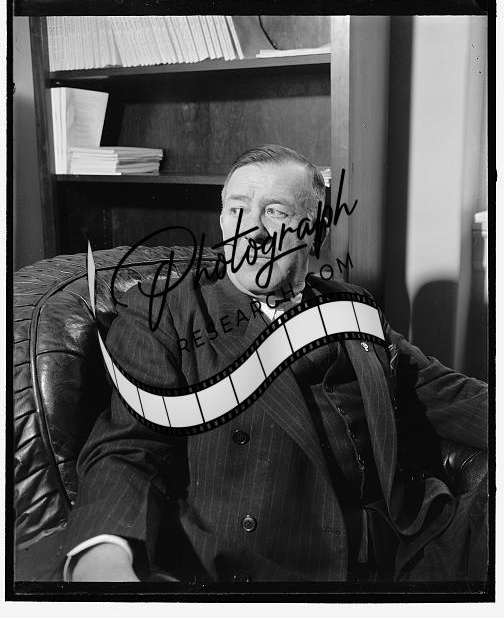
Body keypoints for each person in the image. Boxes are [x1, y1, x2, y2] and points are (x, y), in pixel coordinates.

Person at [63, 145, 488, 584]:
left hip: (407, 547)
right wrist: (103, 559)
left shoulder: (351, 304)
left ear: (317, 230)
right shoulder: (169, 314)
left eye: (275, 211)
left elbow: (443, 391)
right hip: (272, 570)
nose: (253, 231)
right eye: (237, 209)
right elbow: (128, 449)